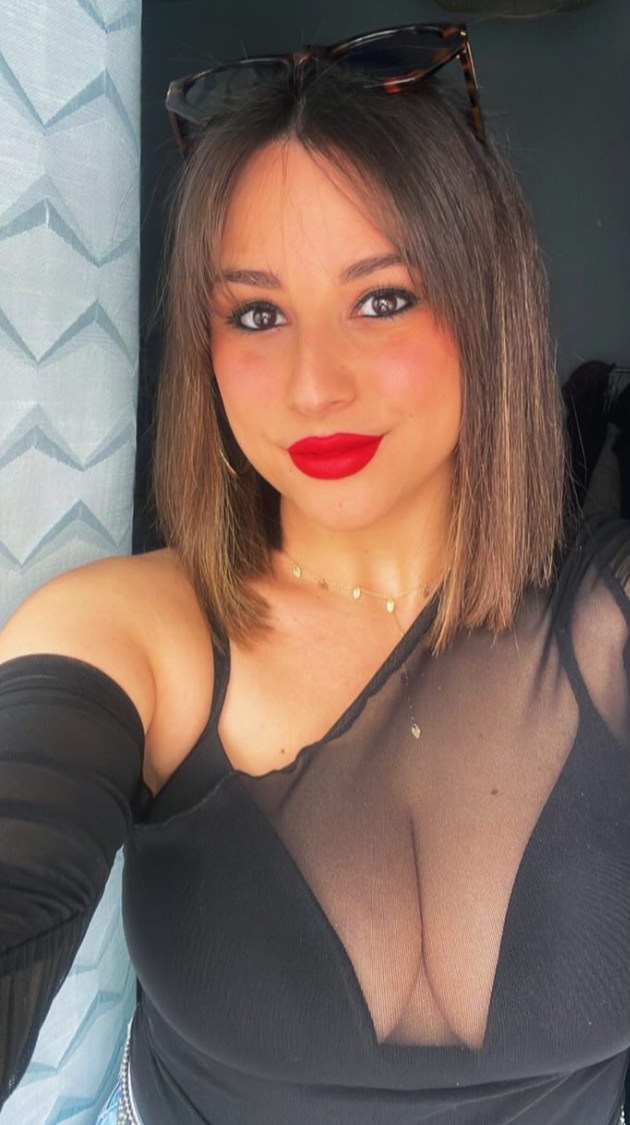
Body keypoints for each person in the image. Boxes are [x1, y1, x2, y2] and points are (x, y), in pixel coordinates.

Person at [0, 21, 628, 1125]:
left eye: (382, 298)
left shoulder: (608, 623)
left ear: (489, 307)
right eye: (258, 314)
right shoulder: (136, 635)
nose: (312, 386)